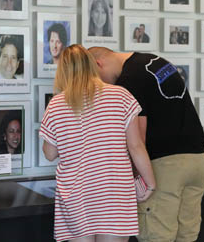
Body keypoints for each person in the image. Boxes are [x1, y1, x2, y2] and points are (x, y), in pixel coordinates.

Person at [88, 47, 204, 242]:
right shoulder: (154, 61)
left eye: (97, 78)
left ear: (98, 63)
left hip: (166, 166)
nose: (101, 85)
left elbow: (138, 139)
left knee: (156, 236)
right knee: (187, 235)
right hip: (198, 159)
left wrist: (136, 180)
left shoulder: (128, 80)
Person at [40, 44, 155, 242]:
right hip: (114, 192)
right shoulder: (121, 96)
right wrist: (150, 183)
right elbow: (136, 147)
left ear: (63, 71)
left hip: (76, 194)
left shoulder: (57, 104)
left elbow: (50, 153)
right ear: (91, 65)